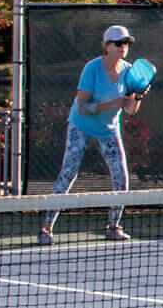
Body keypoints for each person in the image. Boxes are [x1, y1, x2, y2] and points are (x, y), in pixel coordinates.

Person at [39, 23, 143, 243]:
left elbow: (130, 110)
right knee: (68, 175)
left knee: (121, 178)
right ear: (106, 46)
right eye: (118, 43)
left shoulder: (129, 71)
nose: (123, 46)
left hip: (109, 130)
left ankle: (113, 226)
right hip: (81, 126)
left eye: (126, 43)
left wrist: (138, 97)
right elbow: (82, 107)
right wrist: (110, 103)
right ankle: (46, 228)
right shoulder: (92, 69)